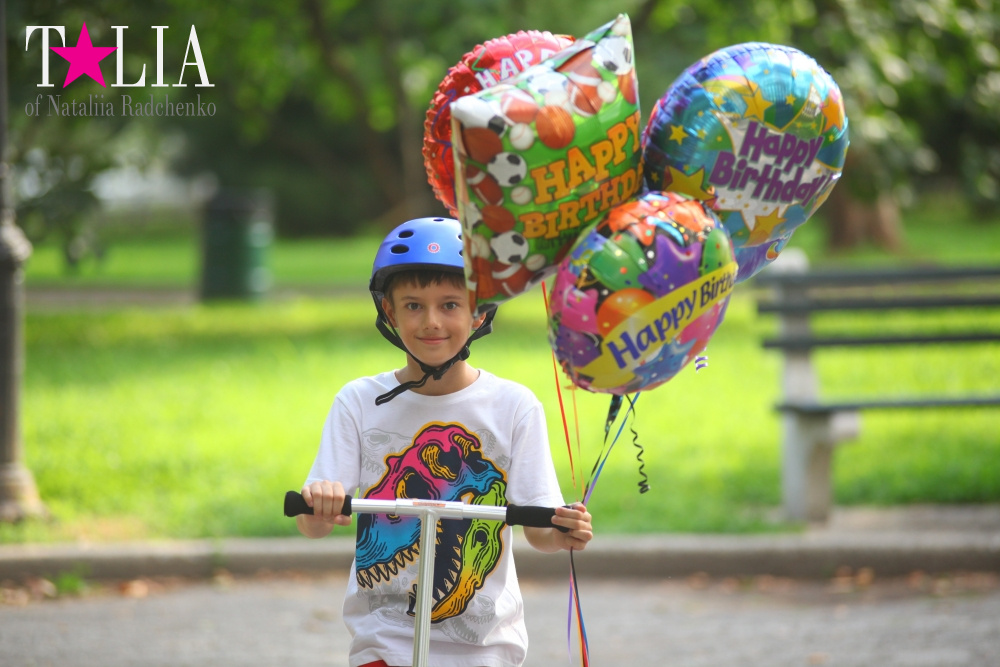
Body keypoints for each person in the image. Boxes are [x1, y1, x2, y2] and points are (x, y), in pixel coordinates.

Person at [298, 217, 593, 667]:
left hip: (486, 647)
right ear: (389, 313)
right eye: (413, 305)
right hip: (383, 642)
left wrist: (564, 529)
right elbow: (313, 523)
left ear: (479, 312)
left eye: (450, 304)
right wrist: (320, 501)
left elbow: (539, 531)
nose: (431, 322)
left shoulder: (513, 406)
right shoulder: (358, 402)